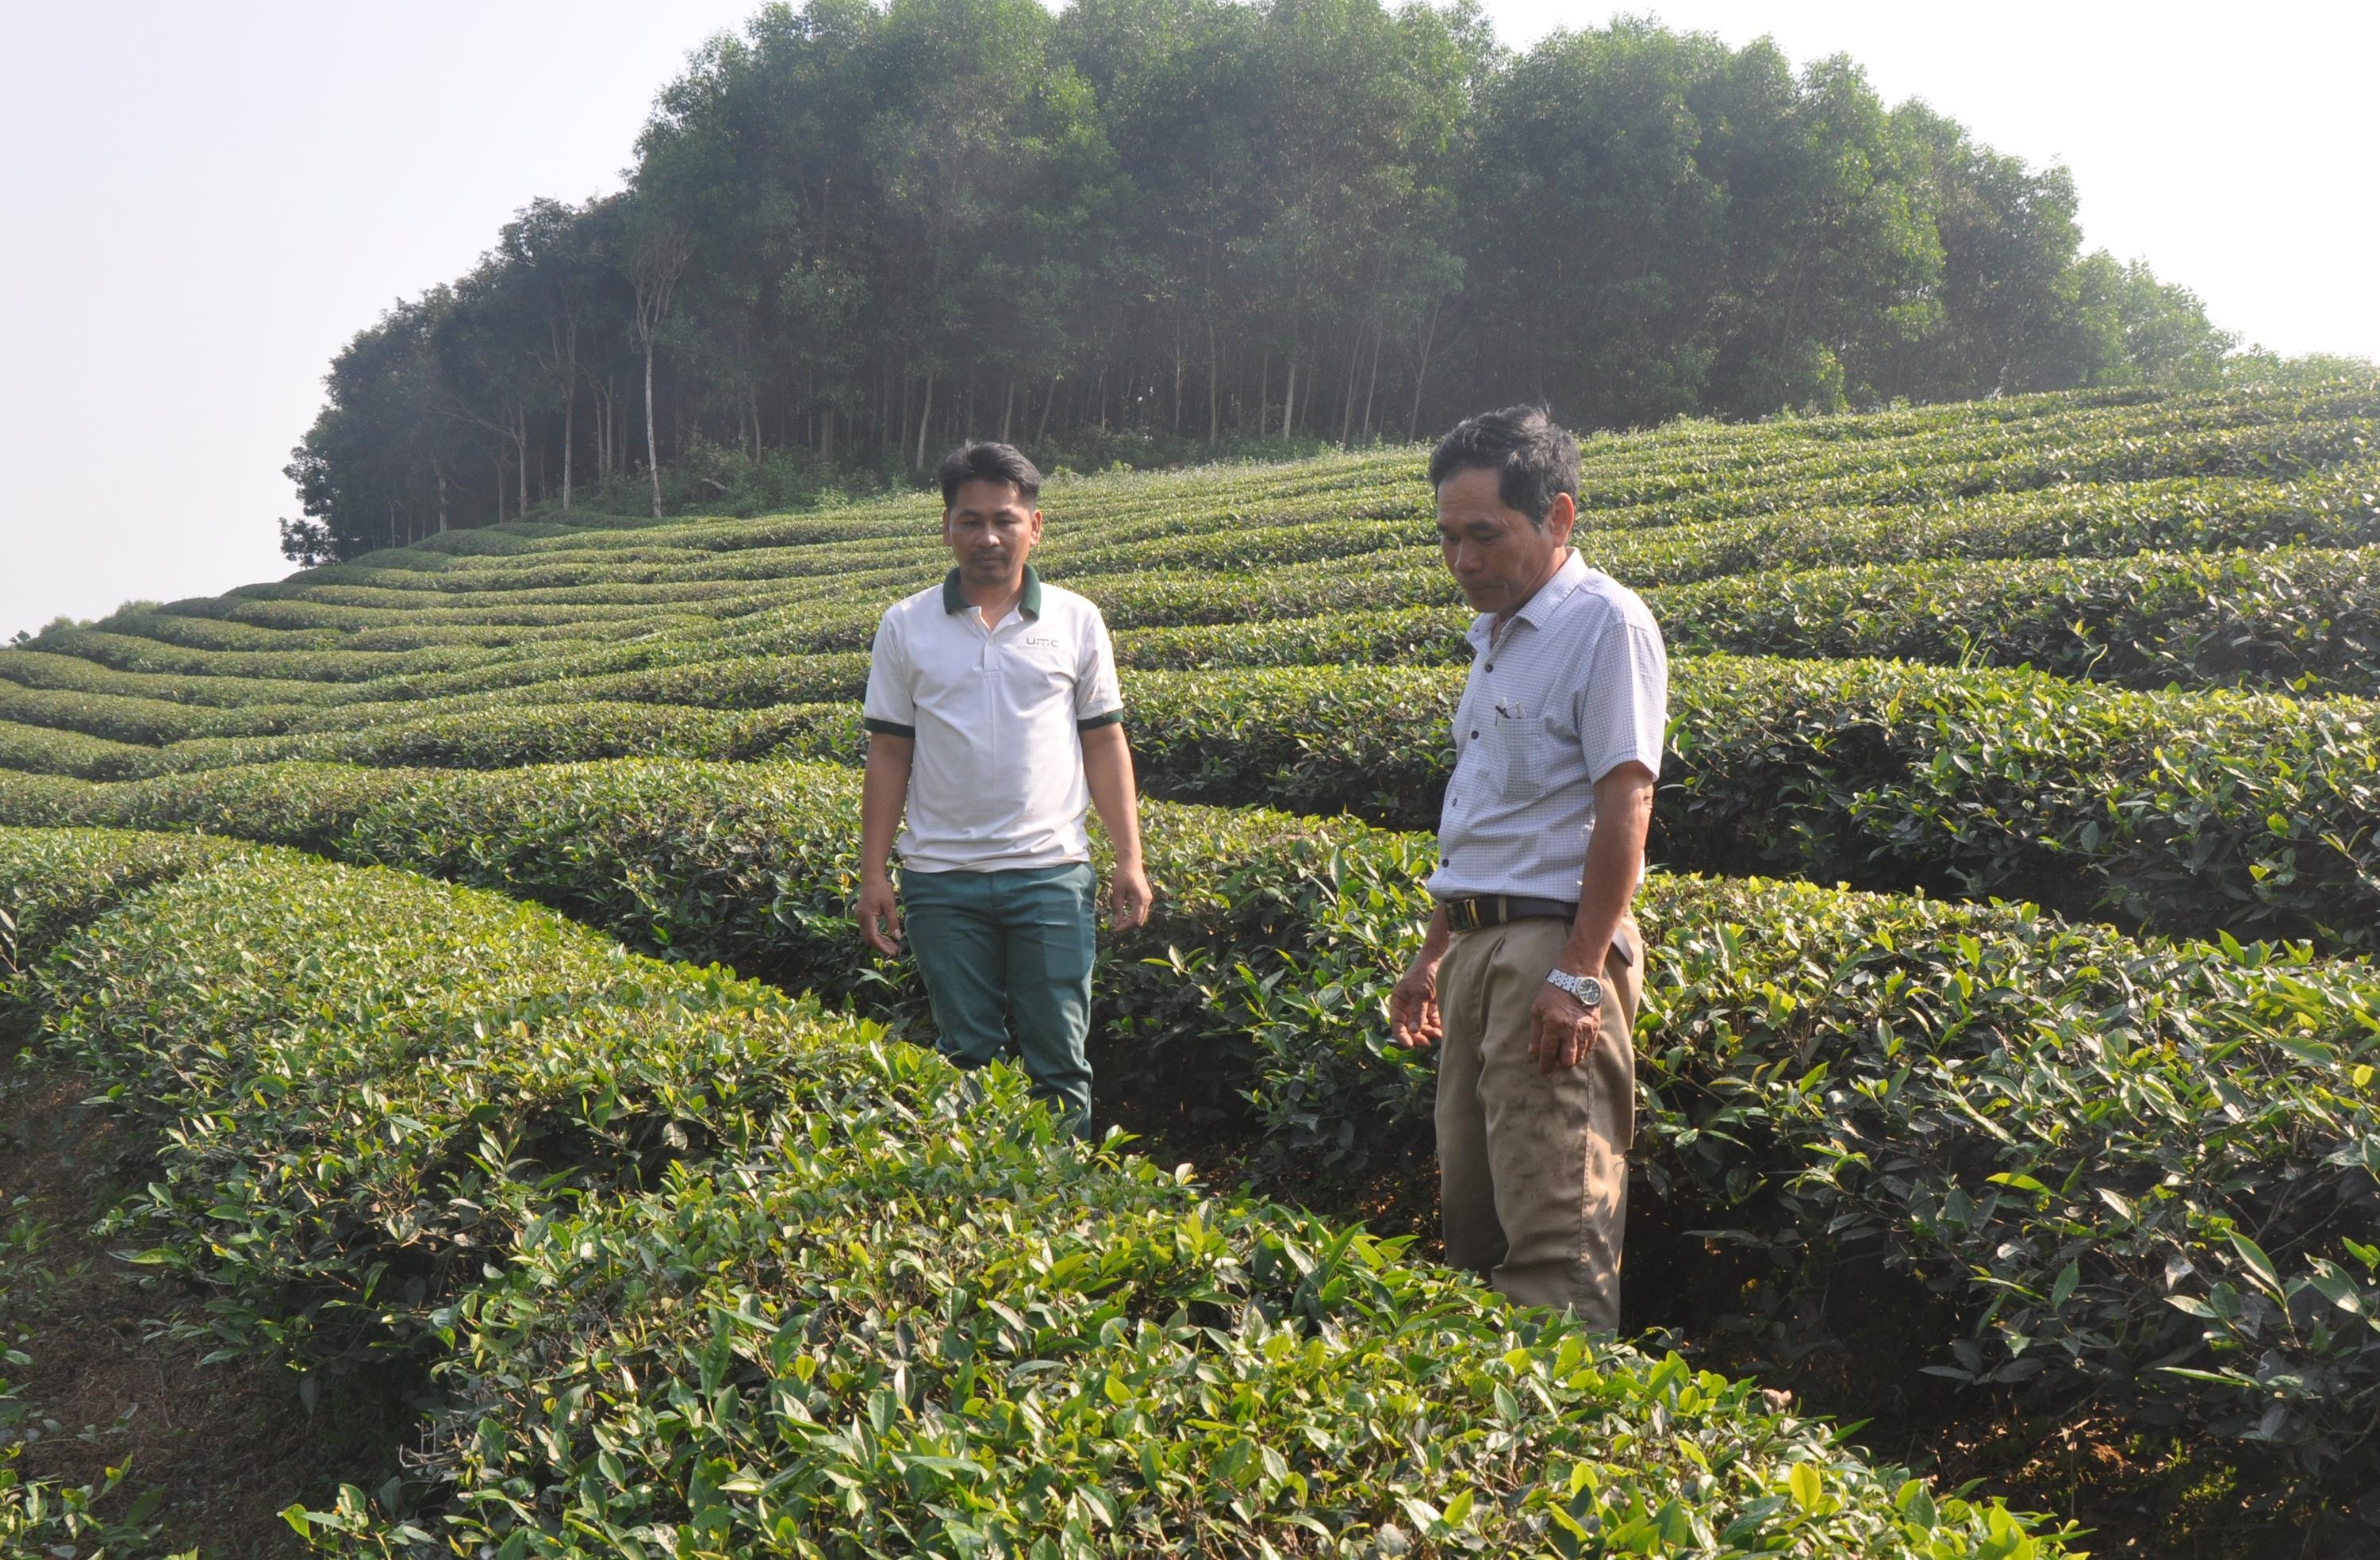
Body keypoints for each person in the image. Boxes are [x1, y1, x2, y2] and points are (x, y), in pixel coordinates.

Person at [1386, 406, 1669, 1331]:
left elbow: (1626, 804)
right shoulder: (1497, 641)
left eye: (1484, 534)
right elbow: (1486, 817)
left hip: (1551, 949)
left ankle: (1570, 1450)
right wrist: (1432, 953)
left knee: (1554, 1240)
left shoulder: (1604, 624)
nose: (1461, 559)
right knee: (1473, 1230)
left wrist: (1580, 971)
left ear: (1558, 517)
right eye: (1447, 537)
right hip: (1478, 947)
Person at [856, 440, 1154, 1134]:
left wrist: (1128, 859)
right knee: (967, 1059)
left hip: (1049, 876)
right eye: (970, 520)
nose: (988, 536)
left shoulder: (1077, 620)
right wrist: (874, 871)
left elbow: (1105, 742)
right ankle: (985, 1209)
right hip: (941, 880)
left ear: (1035, 526)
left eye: (1005, 519)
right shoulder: (905, 624)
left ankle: (1070, 1209)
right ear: (947, 528)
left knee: (1060, 1061)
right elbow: (889, 752)